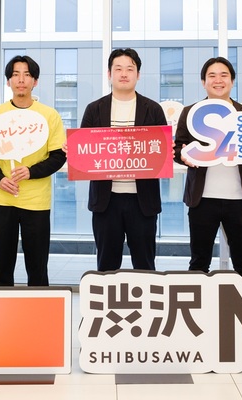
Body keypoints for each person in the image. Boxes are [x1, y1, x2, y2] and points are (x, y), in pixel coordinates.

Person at [0, 55, 66, 286]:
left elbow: (58, 156)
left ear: (35, 81)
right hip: (1, 198)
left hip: (36, 201)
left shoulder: (49, 115)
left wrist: (30, 172)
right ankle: (3, 307)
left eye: (27, 74)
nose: (21, 80)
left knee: (37, 266)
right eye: (15, 75)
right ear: (8, 81)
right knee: (2, 266)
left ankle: (39, 307)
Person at [174, 57, 242, 297]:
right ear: (203, 82)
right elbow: (178, 148)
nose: (218, 80)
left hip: (239, 199)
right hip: (202, 199)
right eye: (212, 75)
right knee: (199, 262)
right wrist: (183, 156)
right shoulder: (190, 112)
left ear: (232, 81)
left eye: (224, 75)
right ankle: (196, 312)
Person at [81, 48, 167, 271]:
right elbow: (84, 152)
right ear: (109, 74)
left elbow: (162, 152)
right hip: (106, 201)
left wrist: (170, 151)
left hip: (143, 201)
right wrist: (73, 150)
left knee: (145, 265)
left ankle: (146, 296)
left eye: (130, 69)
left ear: (138, 74)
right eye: (118, 69)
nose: (124, 74)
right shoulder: (94, 109)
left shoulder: (153, 109)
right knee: (106, 266)